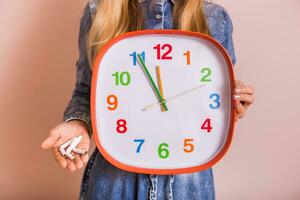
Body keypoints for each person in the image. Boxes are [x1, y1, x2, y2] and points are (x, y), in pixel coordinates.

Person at [41, 0, 255, 199]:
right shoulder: (99, 11)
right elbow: (85, 92)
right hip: (114, 184)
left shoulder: (215, 19)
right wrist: (78, 123)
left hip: (189, 187)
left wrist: (231, 106)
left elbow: (212, 100)